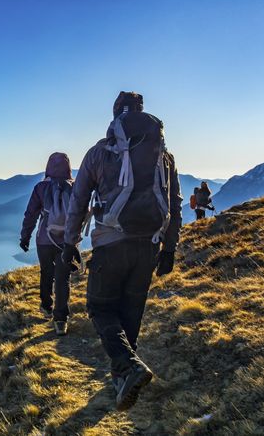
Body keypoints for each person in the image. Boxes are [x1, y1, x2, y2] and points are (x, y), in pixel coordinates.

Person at [62, 91, 182, 411]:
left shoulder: (100, 152)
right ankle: (123, 378)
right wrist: (169, 248)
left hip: (110, 244)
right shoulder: (164, 156)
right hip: (149, 246)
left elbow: (78, 201)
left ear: (115, 115)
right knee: (130, 313)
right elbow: (174, 203)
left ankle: (128, 369)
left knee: (101, 308)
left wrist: (70, 243)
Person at [20, 152, 73, 336]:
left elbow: (30, 214)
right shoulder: (74, 187)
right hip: (66, 240)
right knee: (62, 278)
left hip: (44, 239)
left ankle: (46, 306)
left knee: (46, 272)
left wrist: (24, 237)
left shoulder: (41, 187)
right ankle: (61, 320)